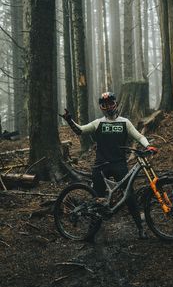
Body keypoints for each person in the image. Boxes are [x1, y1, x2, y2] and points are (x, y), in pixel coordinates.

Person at [61, 91, 158, 240]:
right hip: (101, 165)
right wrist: (69, 120)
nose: (109, 107)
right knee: (96, 199)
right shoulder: (98, 123)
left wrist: (148, 146)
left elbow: (139, 136)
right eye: (105, 105)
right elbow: (80, 131)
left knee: (130, 197)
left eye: (111, 103)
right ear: (101, 107)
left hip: (120, 165)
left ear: (116, 104)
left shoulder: (125, 122)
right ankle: (91, 233)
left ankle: (140, 229)